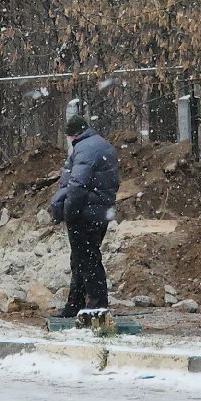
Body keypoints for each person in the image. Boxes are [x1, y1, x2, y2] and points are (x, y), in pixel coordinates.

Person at [48, 116, 120, 319]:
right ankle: (75, 304)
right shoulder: (100, 145)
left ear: (73, 135)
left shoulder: (85, 149)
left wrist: (67, 213)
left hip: (85, 214)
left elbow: (76, 185)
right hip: (99, 212)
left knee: (87, 260)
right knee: (82, 258)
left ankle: (97, 306)